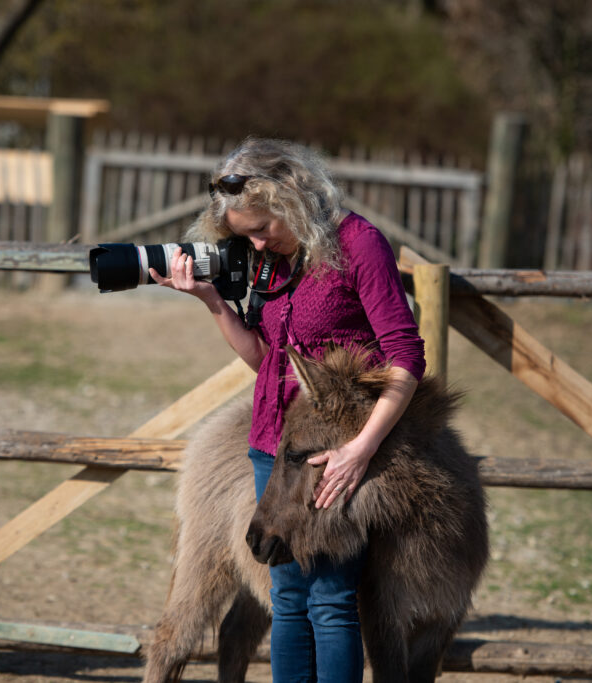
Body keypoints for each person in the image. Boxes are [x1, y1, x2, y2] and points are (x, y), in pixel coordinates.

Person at [149, 137, 425, 682]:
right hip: (269, 445)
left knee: (329, 598)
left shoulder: (358, 244)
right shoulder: (272, 261)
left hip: (331, 453)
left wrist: (358, 450)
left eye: (260, 227)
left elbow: (407, 357)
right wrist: (212, 301)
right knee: (287, 595)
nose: (254, 241)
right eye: (243, 233)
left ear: (290, 201)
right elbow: (266, 360)